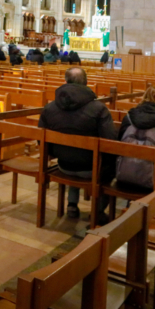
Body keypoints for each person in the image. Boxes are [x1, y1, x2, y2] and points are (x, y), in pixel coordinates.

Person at [38, 67, 116, 220]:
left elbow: (40, 139)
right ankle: (98, 211)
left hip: (63, 165)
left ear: (65, 82)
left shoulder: (49, 108)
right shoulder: (99, 109)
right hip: (90, 169)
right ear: (87, 83)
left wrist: (53, 154)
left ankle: (72, 204)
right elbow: (110, 142)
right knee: (112, 169)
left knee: (74, 154)